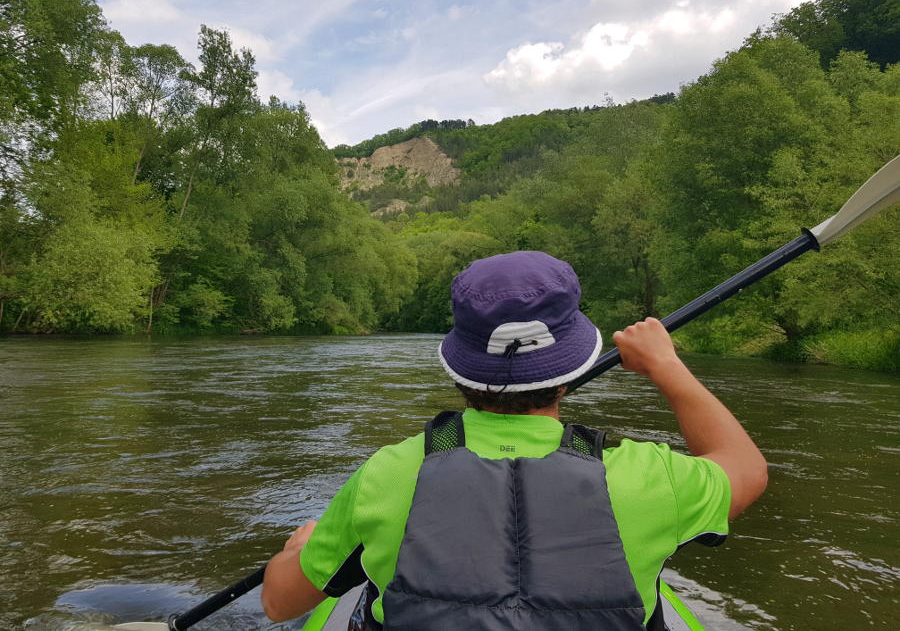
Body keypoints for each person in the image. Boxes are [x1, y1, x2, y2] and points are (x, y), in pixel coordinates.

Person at [261, 250, 768, 630]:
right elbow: (746, 467)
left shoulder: (389, 472)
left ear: (458, 363)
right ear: (574, 365)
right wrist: (667, 367)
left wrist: (298, 550)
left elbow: (279, 604)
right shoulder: (653, 476)